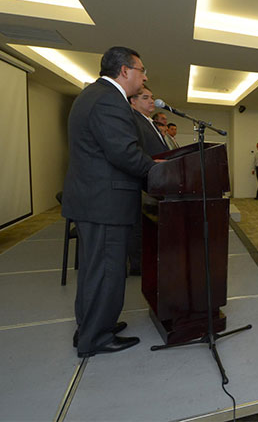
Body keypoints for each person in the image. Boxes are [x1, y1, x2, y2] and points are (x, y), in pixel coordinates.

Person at [62, 46, 158, 357]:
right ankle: (96, 338)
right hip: (104, 203)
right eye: (142, 70)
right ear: (125, 71)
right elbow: (124, 153)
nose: (145, 77)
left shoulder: (94, 94)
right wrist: (158, 171)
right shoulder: (108, 100)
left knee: (95, 271)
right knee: (106, 272)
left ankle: (90, 327)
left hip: (94, 201)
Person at [126, 85, 167, 276]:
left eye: (152, 97)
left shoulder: (148, 121)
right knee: (139, 227)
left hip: (155, 180)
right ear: (133, 102)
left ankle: (147, 260)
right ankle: (139, 265)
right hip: (142, 180)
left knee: (147, 226)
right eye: (145, 98)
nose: (151, 101)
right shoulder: (133, 120)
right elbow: (136, 151)